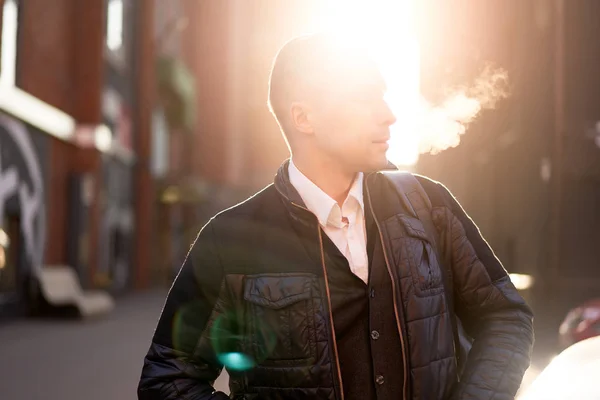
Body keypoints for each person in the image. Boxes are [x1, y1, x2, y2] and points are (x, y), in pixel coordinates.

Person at [138, 32, 534, 400]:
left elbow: (505, 316)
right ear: (303, 118)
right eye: (365, 98)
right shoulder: (229, 240)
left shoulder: (430, 206)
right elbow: (167, 377)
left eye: (384, 96)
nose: (389, 115)